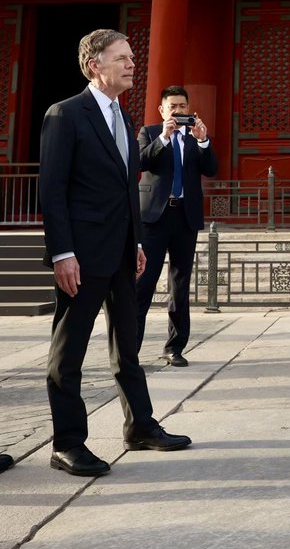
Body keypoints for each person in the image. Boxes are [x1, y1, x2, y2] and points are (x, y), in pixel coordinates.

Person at [39, 28, 191, 477]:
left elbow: (128, 189)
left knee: (128, 346)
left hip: (124, 252)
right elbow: (53, 190)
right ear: (94, 66)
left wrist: (139, 241)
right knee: (68, 354)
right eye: (121, 58)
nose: (131, 64)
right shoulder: (65, 114)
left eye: (131, 57)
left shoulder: (125, 119)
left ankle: (140, 426)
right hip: (81, 257)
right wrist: (62, 253)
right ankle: (67, 442)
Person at [135, 86, 218, 365]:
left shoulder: (196, 137)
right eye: (173, 106)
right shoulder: (149, 132)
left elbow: (212, 169)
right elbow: (140, 161)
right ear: (162, 110)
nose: (178, 111)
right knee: (143, 283)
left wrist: (204, 141)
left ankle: (175, 347)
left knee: (180, 286)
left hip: (185, 217)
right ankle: (129, 349)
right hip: (154, 219)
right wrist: (164, 137)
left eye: (183, 106)